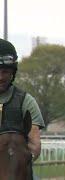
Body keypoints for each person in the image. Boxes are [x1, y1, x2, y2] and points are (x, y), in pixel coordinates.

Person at [0, 39, 45, 176]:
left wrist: (23, 157)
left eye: (5, 71)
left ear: (13, 72)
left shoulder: (26, 102)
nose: (0, 77)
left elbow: (34, 144)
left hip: (17, 167)